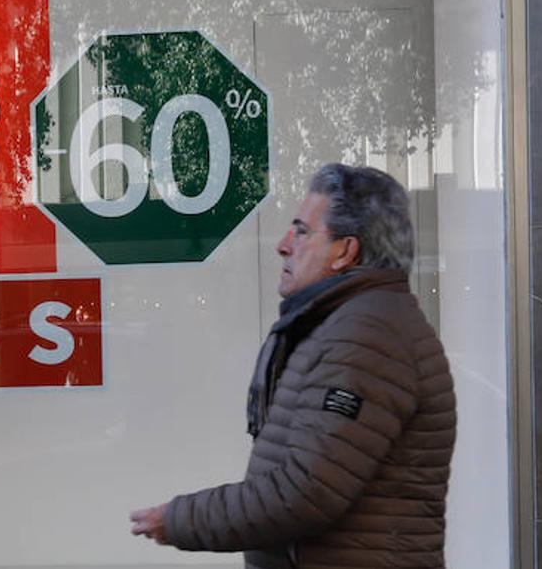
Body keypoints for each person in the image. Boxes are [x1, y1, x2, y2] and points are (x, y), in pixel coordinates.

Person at [130, 163, 456, 568]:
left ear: (345, 251)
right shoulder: (347, 324)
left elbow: (308, 490)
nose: (284, 245)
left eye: (302, 231)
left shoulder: (366, 337)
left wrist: (180, 519)